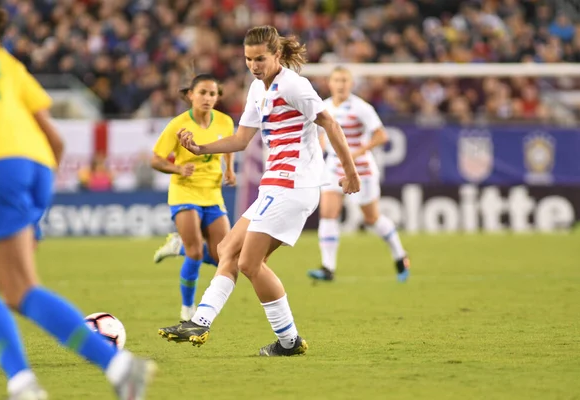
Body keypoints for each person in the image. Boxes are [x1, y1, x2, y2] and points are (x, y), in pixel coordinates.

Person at [0, 3, 155, 399]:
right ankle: (23, 384)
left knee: (19, 290)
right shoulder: (6, 63)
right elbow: (56, 139)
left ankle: (117, 366)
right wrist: (33, 204)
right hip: (37, 166)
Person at [157, 25, 360, 356]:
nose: (253, 65)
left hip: (294, 184)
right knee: (227, 250)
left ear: (276, 55)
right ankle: (201, 321)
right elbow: (240, 139)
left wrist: (350, 172)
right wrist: (199, 148)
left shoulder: (294, 85)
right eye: (248, 59)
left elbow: (330, 123)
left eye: (260, 59)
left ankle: (288, 341)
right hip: (274, 185)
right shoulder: (256, 90)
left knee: (249, 262)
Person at [308, 66, 411, 282]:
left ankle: (400, 255)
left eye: (345, 80)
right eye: (337, 80)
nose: (341, 84)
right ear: (330, 83)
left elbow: (381, 136)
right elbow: (319, 134)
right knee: (327, 213)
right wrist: (324, 147)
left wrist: (356, 152)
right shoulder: (323, 106)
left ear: (351, 84)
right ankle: (328, 268)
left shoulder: (361, 107)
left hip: (361, 169)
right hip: (334, 168)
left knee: (372, 218)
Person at [150, 74, 236, 321]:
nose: (208, 98)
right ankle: (188, 310)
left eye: (212, 94)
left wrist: (229, 168)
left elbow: (229, 146)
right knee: (196, 252)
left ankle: (179, 247)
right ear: (190, 95)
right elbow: (155, 159)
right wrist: (177, 169)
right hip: (184, 191)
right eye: (202, 93)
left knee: (225, 257)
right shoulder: (178, 125)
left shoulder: (225, 122)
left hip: (212, 193)